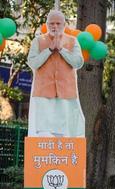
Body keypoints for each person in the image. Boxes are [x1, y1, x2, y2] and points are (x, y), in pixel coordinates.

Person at [27, 9, 85, 137]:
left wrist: (61, 50)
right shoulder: (38, 41)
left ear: (64, 25)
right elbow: (33, 63)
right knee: (43, 132)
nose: (55, 26)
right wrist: (49, 50)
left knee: (65, 132)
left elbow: (78, 62)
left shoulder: (73, 41)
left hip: (66, 93)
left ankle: (62, 156)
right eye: (51, 23)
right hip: (43, 93)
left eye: (58, 23)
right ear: (47, 25)